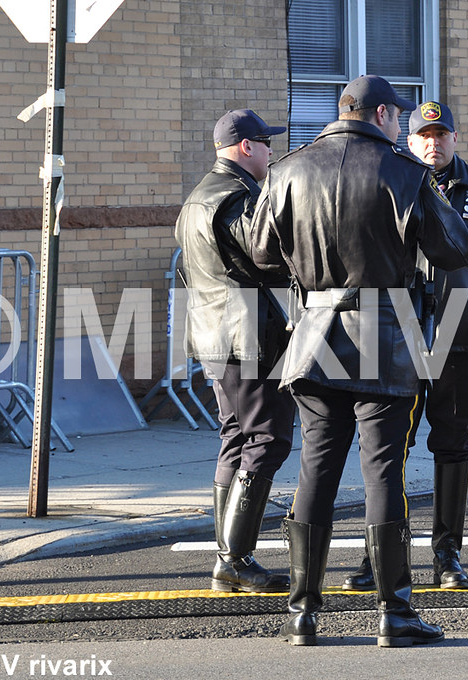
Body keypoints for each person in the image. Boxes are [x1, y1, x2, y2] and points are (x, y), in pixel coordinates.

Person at [250, 75, 468, 647]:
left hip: (316, 329)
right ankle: (395, 614)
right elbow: (454, 248)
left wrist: (311, 273)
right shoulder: (404, 172)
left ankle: (303, 613)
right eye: (398, 116)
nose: (402, 124)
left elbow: (260, 254)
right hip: (385, 334)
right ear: (380, 114)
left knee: (316, 470)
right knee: (383, 473)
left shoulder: (288, 168)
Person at [340, 101, 468, 592]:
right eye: (423, 135)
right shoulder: (388, 182)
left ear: (455, 139)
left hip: (460, 340)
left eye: (441, 135)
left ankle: (448, 554)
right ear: (409, 139)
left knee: (453, 445)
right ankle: (378, 554)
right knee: (386, 449)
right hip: (398, 339)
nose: (432, 143)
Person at [174, 109, 295, 594]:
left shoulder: (199, 196)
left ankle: (230, 560)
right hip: (248, 336)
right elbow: (266, 257)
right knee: (267, 439)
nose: (272, 152)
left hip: (216, 335)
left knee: (237, 438)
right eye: (266, 144)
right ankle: (234, 560)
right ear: (246, 146)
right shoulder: (235, 198)